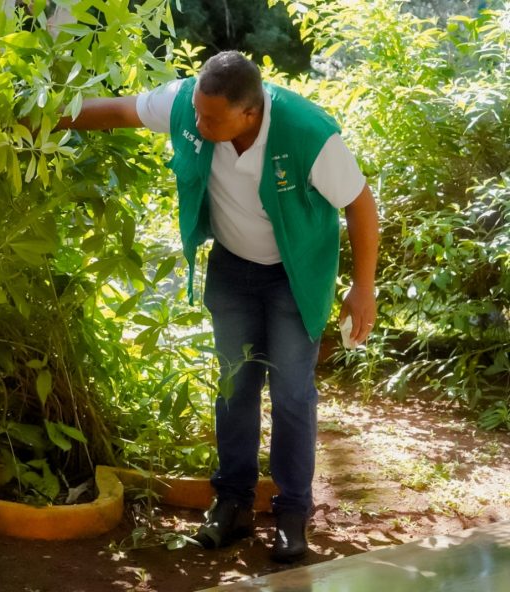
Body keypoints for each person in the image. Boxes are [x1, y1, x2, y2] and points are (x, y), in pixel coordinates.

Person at [54, 51, 379, 562]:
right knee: (234, 386)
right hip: (232, 269)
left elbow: (360, 204)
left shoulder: (308, 133)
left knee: (292, 392)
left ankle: (292, 513)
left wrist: (363, 288)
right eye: (198, 114)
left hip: (294, 275)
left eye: (212, 119)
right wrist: (41, 113)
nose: (198, 124)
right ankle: (232, 504)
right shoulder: (189, 104)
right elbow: (117, 111)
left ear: (250, 114)